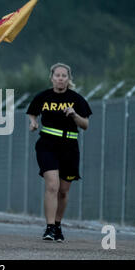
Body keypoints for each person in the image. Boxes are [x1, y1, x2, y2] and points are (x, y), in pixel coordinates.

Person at [26, 63, 92, 242]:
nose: (61, 78)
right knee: (52, 186)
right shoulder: (44, 97)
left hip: (69, 146)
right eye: (57, 75)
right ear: (52, 77)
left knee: (63, 190)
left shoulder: (76, 99)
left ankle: (57, 224)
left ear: (69, 78)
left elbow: (85, 125)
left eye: (64, 76)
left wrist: (74, 115)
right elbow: (32, 113)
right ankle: (49, 228)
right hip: (47, 144)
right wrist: (33, 123)